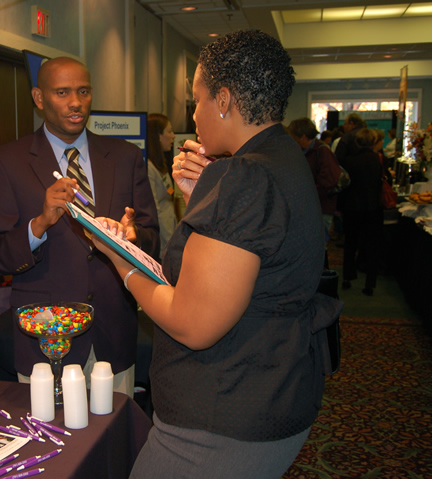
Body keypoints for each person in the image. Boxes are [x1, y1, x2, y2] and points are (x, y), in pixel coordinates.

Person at [90, 30, 343, 476]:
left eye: (198, 99)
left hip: (223, 411)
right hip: (274, 389)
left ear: (223, 99)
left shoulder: (244, 177)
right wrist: (201, 198)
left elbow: (193, 323)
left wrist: (121, 261)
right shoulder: (281, 157)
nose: (194, 113)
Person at [0, 56, 160, 397]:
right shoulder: (8, 162)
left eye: (83, 91)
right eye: (62, 92)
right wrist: (39, 224)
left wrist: (132, 240)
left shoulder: (125, 157)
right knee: (54, 442)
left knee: (114, 439)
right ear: (39, 98)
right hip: (45, 343)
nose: (76, 103)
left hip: (113, 339)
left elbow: (151, 239)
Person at [339, 128, 383, 296]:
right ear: (374, 142)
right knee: (372, 246)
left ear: (356, 142)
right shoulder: (379, 160)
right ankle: (370, 282)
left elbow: (344, 186)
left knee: (350, 243)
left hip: (352, 207)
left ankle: (347, 278)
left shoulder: (349, 161)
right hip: (372, 207)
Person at [288, 117, 342, 241]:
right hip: (309, 207)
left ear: (302, 136)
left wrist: (306, 193)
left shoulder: (322, 151)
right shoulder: (303, 151)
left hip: (321, 207)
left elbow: (329, 181)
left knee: (319, 245)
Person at [146, 113, 177, 253]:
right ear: (157, 136)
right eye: (169, 131)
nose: (173, 136)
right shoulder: (149, 168)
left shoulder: (161, 164)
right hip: (162, 241)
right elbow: (155, 210)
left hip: (170, 232)